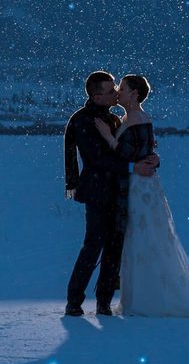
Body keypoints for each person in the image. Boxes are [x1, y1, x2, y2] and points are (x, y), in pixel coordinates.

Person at [93, 74, 189, 317]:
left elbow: (125, 154)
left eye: (122, 88)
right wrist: (153, 158)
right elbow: (145, 150)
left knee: (142, 236)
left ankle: (146, 298)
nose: (118, 92)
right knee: (141, 236)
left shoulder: (136, 118)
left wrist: (107, 136)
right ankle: (141, 295)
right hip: (141, 183)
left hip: (139, 186)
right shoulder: (134, 118)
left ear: (134, 94)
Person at [63, 71, 159, 316]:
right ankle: (74, 301)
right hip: (98, 192)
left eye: (116, 87)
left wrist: (151, 159)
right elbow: (97, 159)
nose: (116, 92)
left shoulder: (114, 119)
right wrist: (133, 167)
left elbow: (131, 148)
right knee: (93, 245)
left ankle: (104, 302)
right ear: (97, 96)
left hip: (121, 191)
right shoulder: (83, 121)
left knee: (115, 248)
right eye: (110, 90)